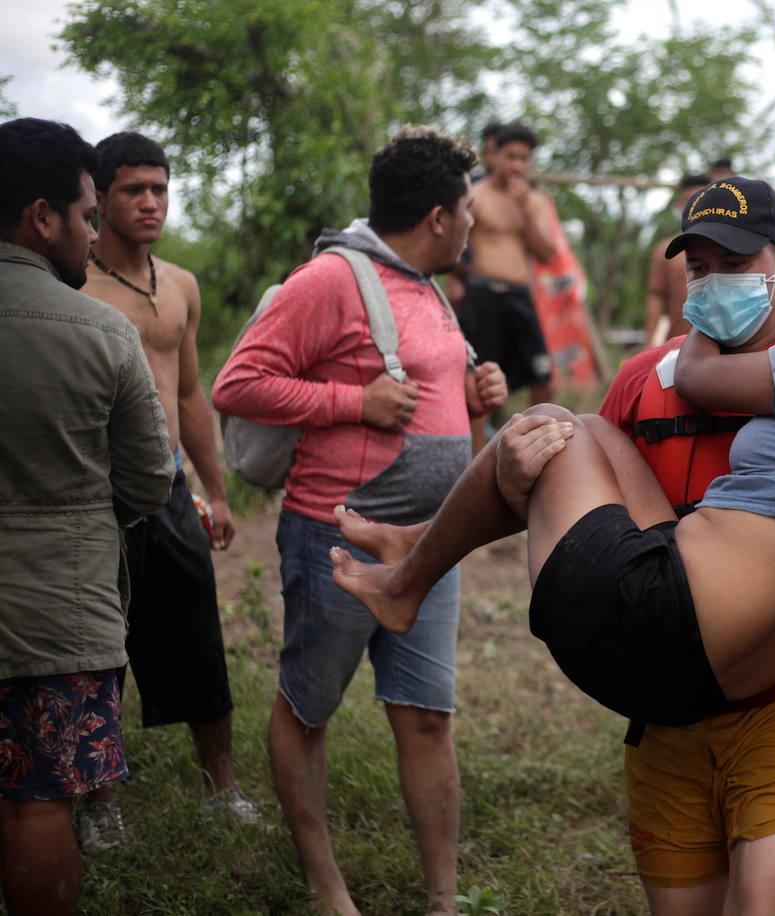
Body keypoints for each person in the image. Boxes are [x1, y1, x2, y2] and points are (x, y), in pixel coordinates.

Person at [337, 177, 775, 914]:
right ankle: (420, 544)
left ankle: (416, 556)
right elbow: (587, 497)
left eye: (733, 261)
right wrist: (517, 466)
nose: (713, 281)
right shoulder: (644, 379)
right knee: (557, 436)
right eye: (697, 267)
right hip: (675, 663)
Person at [332, 273, 775, 720]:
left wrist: (710, 309)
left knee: (547, 425)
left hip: (650, 616)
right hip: (710, 689)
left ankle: (409, 576)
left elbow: (695, 378)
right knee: (597, 430)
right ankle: (416, 543)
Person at [213, 126, 504, 916]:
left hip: (427, 545)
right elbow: (237, 383)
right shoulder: (329, 279)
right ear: (439, 216)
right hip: (335, 536)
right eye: (470, 208)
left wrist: (479, 397)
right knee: (307, 709)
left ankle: (444, 897)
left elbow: (429, 388)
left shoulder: (427, 283)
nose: (477, 222)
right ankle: (324, 884)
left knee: (427, 717)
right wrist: (353, 401)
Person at [0, 117, 175, 916]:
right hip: (57, 619)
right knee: (39, 800)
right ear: (42, 218)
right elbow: (148, 481)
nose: (89, 232)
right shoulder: (102, 330)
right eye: (82, 214)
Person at [75, 131, 257, 850]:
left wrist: (215, 490)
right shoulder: (74, 282)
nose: (150, 202)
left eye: (159, 188)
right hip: (96, 492)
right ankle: (100, 805)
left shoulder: (180, 283)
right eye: (132, 190)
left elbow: (188, 393)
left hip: (172, 488)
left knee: (197, 637)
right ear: (100, 197)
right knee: (98, 648)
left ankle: (223, 786)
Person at [459, 123, 556, 405]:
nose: (516, 165)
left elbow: (546, 253)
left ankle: (539, 443)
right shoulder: (474, 195)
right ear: (495, 156)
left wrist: (525, 208)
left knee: (543, 378)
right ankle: (477, 450)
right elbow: (453, 246)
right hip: (482, 295)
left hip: (520, 297)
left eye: (523, 159)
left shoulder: (535, 202)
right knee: (479, 382)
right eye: (510, 157)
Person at [644, 173, 711, 348]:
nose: (695, 206)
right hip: (679, 345)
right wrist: (649, 342)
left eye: (701, 199)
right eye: (689, 200)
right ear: (679, 204)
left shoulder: (736, 248)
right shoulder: (666, 250)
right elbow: (656, 296)